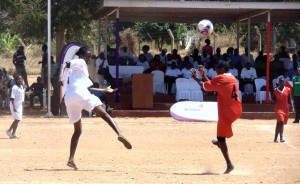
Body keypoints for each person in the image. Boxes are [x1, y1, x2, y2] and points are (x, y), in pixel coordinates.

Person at [60, 46, 132, 169]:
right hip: (80, 95)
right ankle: (120, 133)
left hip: (70, 98)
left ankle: (71, 159)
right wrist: (60, 78)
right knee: (105, 114)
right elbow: (65, 64)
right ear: (82, 55)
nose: (89, 58)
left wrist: (104, 90)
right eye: (88, 56)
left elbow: (88, 88)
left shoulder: (78, 71)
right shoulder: (80, 61)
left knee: (77, 130)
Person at [191, 61, 242, 174]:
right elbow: (213, 84)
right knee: (220, 136)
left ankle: (229, 163)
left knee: (221, 138)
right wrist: (203, 75)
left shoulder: (221, 79)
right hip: (237, 109)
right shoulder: (232, 78)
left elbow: (205, 87)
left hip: (228, 111)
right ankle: (220, 142)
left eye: (217, 69)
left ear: (222, 69)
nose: (215, 71)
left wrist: (196, 78)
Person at [273, 77, 292, 142]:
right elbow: (274, 99)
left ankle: (275, 138)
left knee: (279, 123)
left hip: (285, 108)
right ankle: (281, 137)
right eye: (280, 82)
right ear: (278, 83)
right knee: (281, 121)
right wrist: (275, 104)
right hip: (278, 108)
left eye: (283, 82)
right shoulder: (275, 90)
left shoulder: (288, 89)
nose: (282, 83)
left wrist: (292, 107)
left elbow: (289, 100)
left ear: (284, 83)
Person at [6, 74, 25, 139]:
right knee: (17, 119)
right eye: (18, 79)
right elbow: (12, 98)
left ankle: (12, 133)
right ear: (16, 80)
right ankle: (10, 131)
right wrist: (14, 106)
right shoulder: (14, 87)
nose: (20, 80)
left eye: (21, 79)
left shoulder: (21, 86)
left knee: (18, 119)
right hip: (14, 104)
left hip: (19, 104)